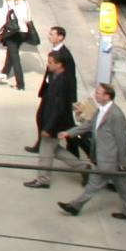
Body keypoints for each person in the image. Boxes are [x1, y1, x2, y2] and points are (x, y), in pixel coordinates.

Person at [57, 85, 126, 221]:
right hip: (105, 158)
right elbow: (89, 125)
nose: (95, 95)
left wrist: (122, 161)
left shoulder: (116, 115)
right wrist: (69, 133)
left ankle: (75, 206)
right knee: (123, 186)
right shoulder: (100, 111)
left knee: (94, 184)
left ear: (107, 96)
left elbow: (122, 139)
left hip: (109, 159)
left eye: (98, 93)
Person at [25, 42, 81, 187]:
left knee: (46, 152)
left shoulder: (62, 83)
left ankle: (43, 179)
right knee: (55, 150)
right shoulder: (56, 77)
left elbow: (59, 108)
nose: (48, 65)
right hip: (54, 123)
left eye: (50, 63)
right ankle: (85, 168)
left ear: (59, 65)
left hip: (54, 125)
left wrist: (48, 128)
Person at [0, 0, 34, 87]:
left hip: (12, 32)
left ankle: (20, 83)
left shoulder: (7, 3)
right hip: (23, 32)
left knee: (14, 56)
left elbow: (3, 20)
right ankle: (5, 71)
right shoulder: (25, 3)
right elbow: (28, 19)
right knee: (11, 51)